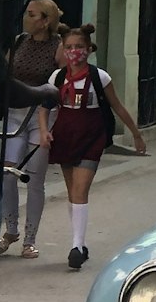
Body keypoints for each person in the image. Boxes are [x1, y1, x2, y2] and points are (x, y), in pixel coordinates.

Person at [40, 24, 146, 271]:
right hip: (66, 136)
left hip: (91, 137)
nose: (74, 51)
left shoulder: (100, 77)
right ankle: (80, 243)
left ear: (88, 49)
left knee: (81, 189)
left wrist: (136, 134)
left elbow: (117, 106)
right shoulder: (56, 78)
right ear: (63, 50)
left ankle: (76, 246)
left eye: (79, 47)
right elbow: (44, 108)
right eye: (69, 47)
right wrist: (44, 131)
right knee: (72, 191)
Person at [0, 0, 63, 260]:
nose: (27, 18)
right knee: (7, 172)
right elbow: (4, 73)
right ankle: (10, 230)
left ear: (45, 21)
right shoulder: (19, 41)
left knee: (35, 179)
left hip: (42, 115)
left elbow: (63, 79)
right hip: (14, 112)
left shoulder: (57, 47)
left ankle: (30, 239)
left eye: (32, 14)